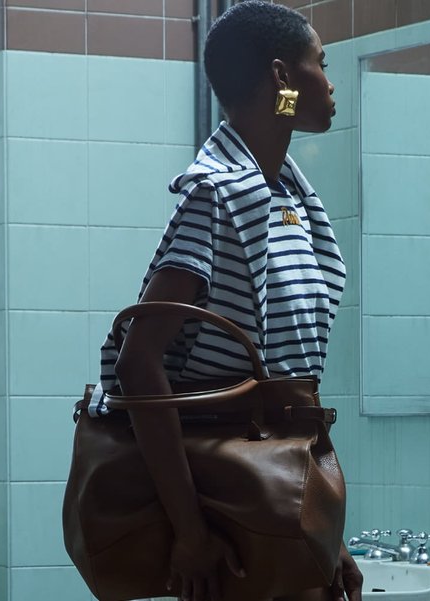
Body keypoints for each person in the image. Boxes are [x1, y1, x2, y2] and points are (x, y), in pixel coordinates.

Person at [91, 2, 362, 600]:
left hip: (277, 485)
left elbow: (292, 384)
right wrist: (189, 530)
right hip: (225, 500)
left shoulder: (287, 196)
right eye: (320, 62)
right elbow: (140, 362)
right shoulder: (216, 198)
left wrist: (325, 533)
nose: (330, 79)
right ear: (282, 79)